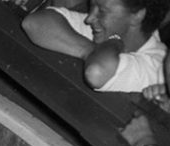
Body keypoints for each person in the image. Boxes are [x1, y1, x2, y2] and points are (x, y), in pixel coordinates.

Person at [22, 0, 168, 92]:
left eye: (102, 11)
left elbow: (97, 72)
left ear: (137, 15)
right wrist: (89, 50)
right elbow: (34, 23)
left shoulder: (158, 66)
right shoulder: (102, 30)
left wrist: (113, 43)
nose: (90, 18)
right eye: (92, 6)